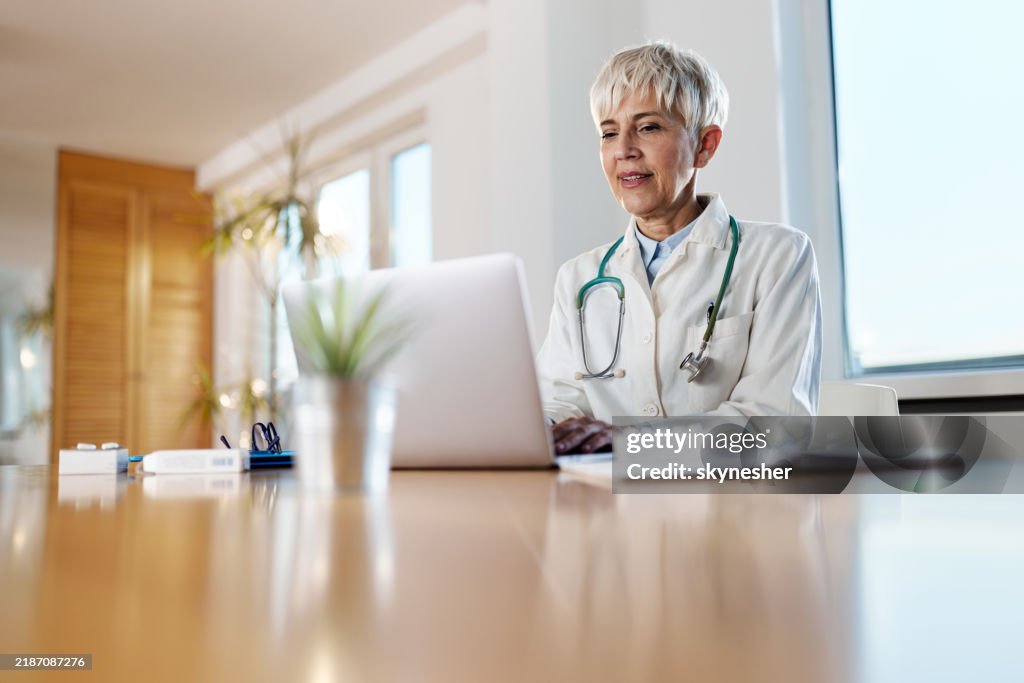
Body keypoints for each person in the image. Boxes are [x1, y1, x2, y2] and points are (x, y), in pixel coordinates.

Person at [537, 42, 822, 455]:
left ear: (705, 145)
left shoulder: (777, 256)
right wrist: (537, 427)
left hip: (735, 508)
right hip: (606, 506)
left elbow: (777, 423)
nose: (623, 150)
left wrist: (631, 442)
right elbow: (560, 400)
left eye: (648, 127)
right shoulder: (579, 279)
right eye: (609, 132)